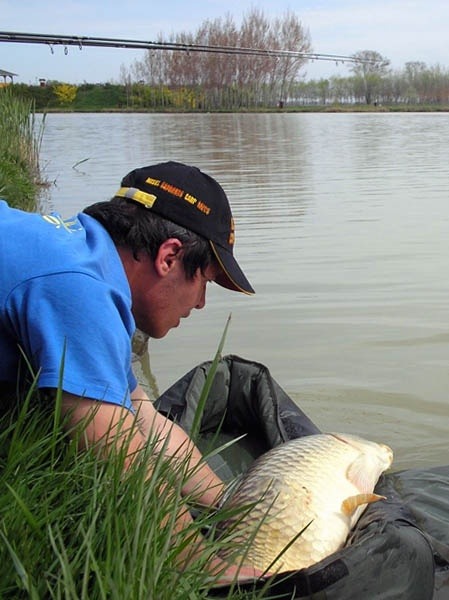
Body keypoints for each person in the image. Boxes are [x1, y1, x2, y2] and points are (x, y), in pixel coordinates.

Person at [0, 161, 264, 584]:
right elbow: (119, 453)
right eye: (206, 283)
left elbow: (144, 421)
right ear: (170, 256)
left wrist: (229, 503)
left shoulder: (86, 263)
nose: (200, 305)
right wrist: (208, 565)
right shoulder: (79, 286)